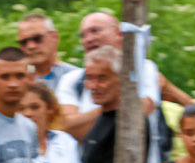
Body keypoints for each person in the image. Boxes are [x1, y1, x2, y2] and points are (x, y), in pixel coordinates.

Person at [57, 12, 186, 155]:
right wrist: (111, 109)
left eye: (95, 31)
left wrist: (87, 120)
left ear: (119, 34)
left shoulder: (143, 68)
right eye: (83, 35)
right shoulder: (72, 80)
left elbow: (140, 111)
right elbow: (66, 128)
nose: (88, 39)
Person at [16, 14, 79, 92]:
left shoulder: (77, 77)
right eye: (24, 42)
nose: (30, 46)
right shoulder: (15, 80)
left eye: (37, 38)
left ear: (54, 38)